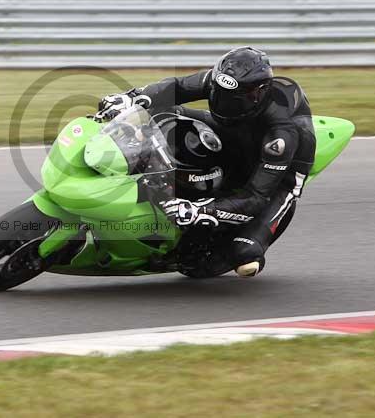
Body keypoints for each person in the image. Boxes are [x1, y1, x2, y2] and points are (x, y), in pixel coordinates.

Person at [96, 47, 316, 277]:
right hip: (238, 130)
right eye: (218, 94)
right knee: (161, 113)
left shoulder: (281, 135)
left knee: (245, 256)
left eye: (232, 100)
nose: (222, 103)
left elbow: (256, 196)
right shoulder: (221, 80)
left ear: (257, 94)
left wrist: (201, 210)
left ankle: (234, 241)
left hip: (280, 179)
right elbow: (177, 87)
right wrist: (131, 97)